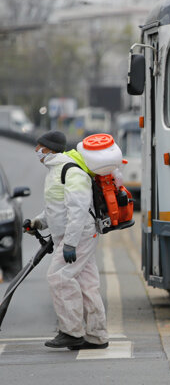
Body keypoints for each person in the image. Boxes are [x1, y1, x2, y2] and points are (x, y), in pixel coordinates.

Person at [26, 130, 109, 350]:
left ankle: (71, 332)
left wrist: (70, 243)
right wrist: (37, 223)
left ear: (49, 148)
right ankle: (97, 336)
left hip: (79, 235)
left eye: (39, 147)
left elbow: (79, 211)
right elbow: (56, 207)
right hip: (73, 235)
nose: (36, 151)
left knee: (59, 278)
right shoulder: (56, 171)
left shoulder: (71, 172)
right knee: (87, 284)